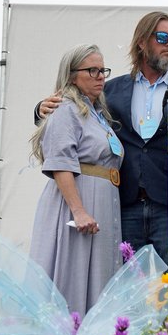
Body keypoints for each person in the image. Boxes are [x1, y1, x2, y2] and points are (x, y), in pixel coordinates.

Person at [36, 12, 168, 283]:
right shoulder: (108, 90)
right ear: (141, 43)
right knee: (123, 291)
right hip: (124, 206)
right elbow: (74, 113)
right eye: (162, 37)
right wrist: (39, 110)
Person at [29, 44, 123, 315]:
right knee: (73, 276)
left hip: (103, 203)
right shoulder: (65, 109)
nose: (100, 76)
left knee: (97, 279)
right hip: (78, 205)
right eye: (91, 70)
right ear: (71, 75)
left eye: (102, 70)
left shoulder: (97, 114)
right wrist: (79, 211)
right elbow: (60, 163)